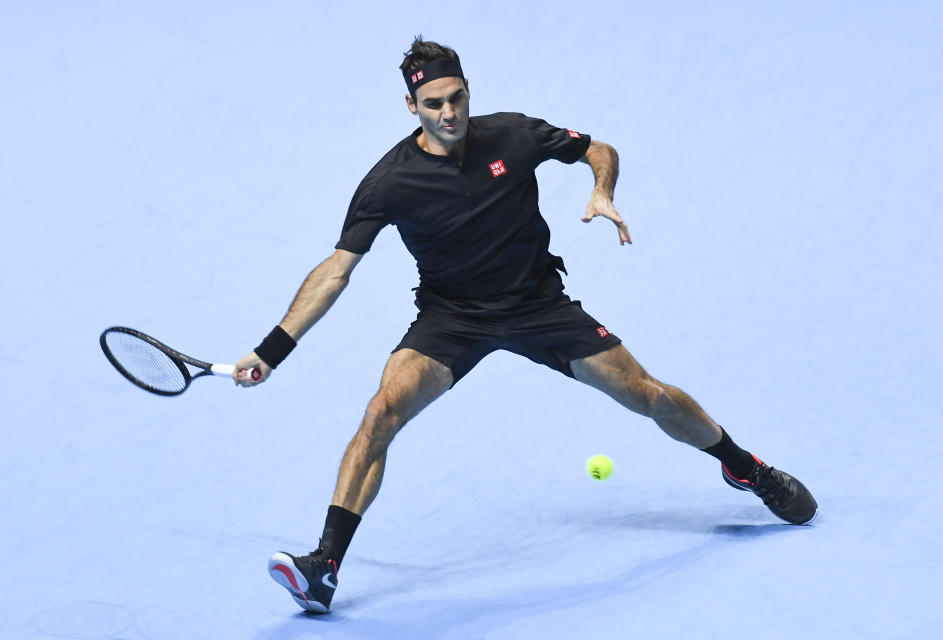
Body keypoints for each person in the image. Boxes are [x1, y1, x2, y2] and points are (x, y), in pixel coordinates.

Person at [234, 37, 817, 614]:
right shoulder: (390, 182)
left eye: (456, 98)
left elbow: (597, 147)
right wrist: (271, 351)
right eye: (434, 103)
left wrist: (602, 189)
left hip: (539, 305)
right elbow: (336, 271)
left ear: (468, 92)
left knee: (647, 395)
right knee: (380, 412)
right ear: (412, 107)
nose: (449, 113)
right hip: (452, 318)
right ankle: (324, 568)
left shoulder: (512, 134)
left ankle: (745, 468)